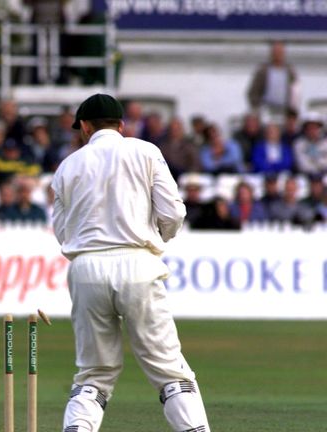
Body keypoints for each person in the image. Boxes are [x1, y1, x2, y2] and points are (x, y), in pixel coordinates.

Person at [51, 93, 210, 432]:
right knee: (169, 370)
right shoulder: (146, 151)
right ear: (121, 125)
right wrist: (157, 237)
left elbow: (62, 230)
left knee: (94, 373)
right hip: (139, 263)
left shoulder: (69, 165)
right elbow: (174, 212)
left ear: (85, 126)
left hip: (87, 268)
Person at [247, 40, 299, 122]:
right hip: (266, 109)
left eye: (280, 51)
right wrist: (257, 108)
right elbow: (253, 92)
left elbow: (295, 91)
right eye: (275, 51)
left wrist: (292, 109)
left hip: (284, 109)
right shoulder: (263, 70)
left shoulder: (290, 71)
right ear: (271, 53)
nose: (277, 54)